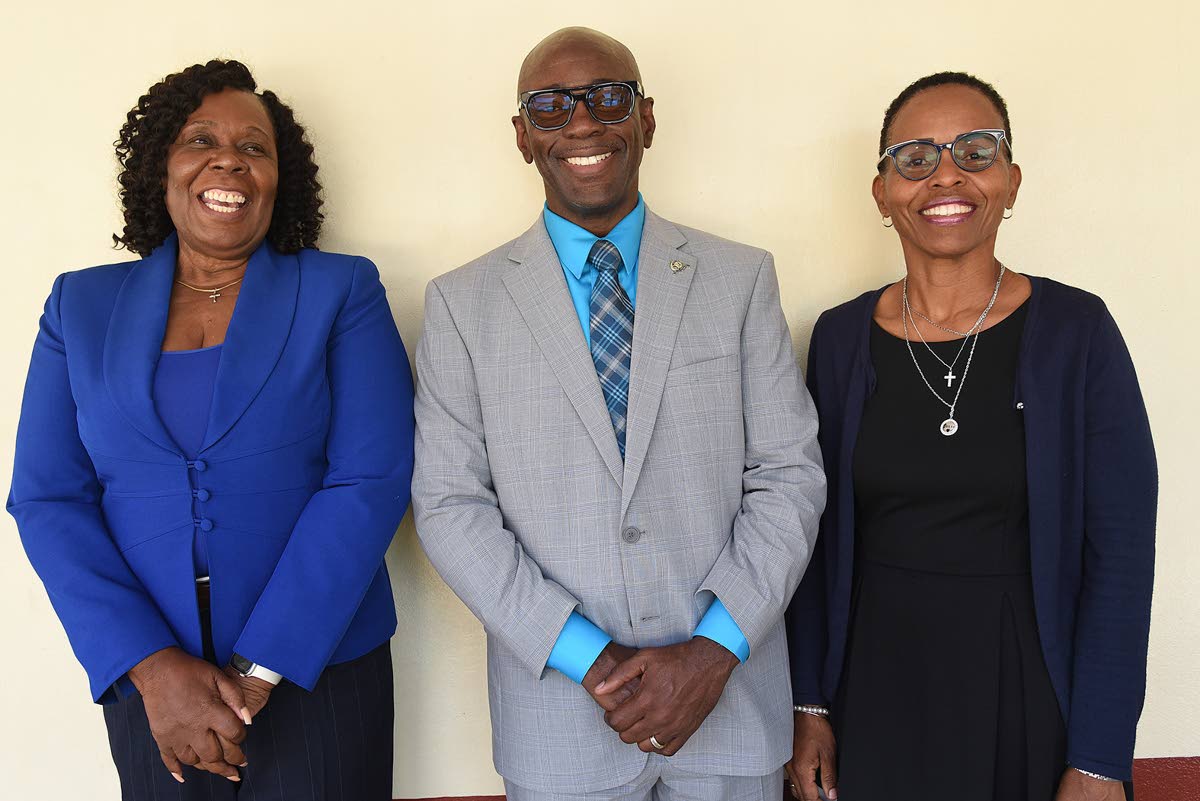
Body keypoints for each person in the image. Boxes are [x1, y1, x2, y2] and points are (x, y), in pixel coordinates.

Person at [412, 26, 825, 801]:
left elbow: (789, 476)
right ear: (521, 136)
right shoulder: (463, 306)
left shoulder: (739, 280)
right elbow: (449, 506)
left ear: (647, 119)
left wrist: (712, 652)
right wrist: (591, 663)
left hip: (727, 707)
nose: (582, 123)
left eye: (609, 98)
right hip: (562, 725)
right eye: (550, 106)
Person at [7, 59, 414, 801]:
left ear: (276, 181)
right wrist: (151, 666)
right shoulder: (79, 307)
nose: (230, 158)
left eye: (255, 148)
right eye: (201, 140)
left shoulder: (340, 290)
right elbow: (46, 498)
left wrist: (260, 670)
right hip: (152, 686)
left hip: (318, 666)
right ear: (161, 169)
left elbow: (370, 477)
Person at [785, 72, 1156, 801]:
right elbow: (811, 542)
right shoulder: (838, 339)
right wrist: (809, 705)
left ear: (1012, 181)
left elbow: (1121, 557)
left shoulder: (1077, 334)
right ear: (883, 192)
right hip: (875, 686)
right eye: (915, 157)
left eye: (975, 151)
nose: (946, 174)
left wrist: (1101, 758)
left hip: (1026, 688)